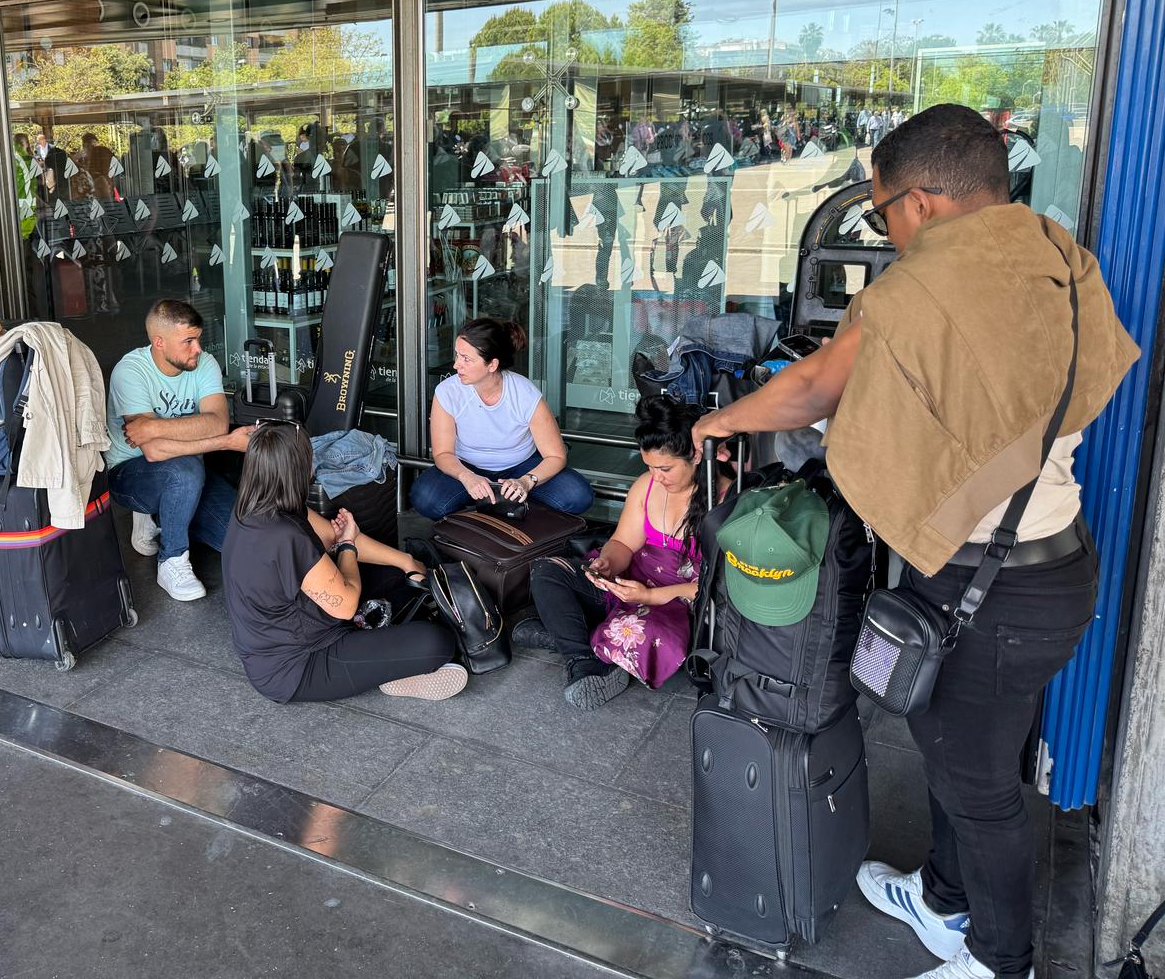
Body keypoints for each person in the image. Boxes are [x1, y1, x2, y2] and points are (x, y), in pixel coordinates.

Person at [691, 103, 1138, 979]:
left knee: (981, 788)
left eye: (882, 210)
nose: (885, 228)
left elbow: (812, 388)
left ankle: (1001, 961)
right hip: (1046, 565)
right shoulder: (1053, 255)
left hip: (992, 585)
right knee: (950, 741)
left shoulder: (921, 286)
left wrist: (717, 423)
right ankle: (942, 899)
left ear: (924, 202)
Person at [223, 421, 466, 703]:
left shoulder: (257, 505)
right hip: (298, 667)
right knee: (436, 642)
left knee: (394, 577)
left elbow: (332, 536)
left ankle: (385, 652)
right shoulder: (285, 536)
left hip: (297, 631)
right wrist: (348, 544)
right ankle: (392, 674)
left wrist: (407, 561)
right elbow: (346, 603)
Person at [528, 396, 724, 709]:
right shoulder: (647, 486)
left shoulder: (725, 498)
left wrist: (651, 597)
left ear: (696, 455)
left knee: (643, 631)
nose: (656, 477)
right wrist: (607, 565)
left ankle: (567, 637)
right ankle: (585, 660)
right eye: (649, 467)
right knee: (547, 570)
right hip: (632, 586)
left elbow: (724, 584)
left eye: (665, 468)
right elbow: (622, 543)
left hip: (681, 604)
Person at [105, 299, 249, 601]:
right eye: (188, 341)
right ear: (159, 342)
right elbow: (154, 452)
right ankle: (172, 559)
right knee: (183, 471)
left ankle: (164, 515)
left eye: (198, 338)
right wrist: (223, 442)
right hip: (131, 474)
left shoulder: (204, 363)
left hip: (191, 470)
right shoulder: (130, 371)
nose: (198, 348)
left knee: (239, 541)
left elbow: (218, 423)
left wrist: (154, 426)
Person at [409, 318, 594, 520]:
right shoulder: (447, 392)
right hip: (466, 465)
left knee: (578, 495)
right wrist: (467, 477)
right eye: (457, 355)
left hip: (521, 466)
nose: (456, 365)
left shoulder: (525, 393)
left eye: (466, 359)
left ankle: (512, 504)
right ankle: (489, 509)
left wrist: (526, 481)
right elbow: (443, 453)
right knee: (425, 499)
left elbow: (556, 456)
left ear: (492, 364)